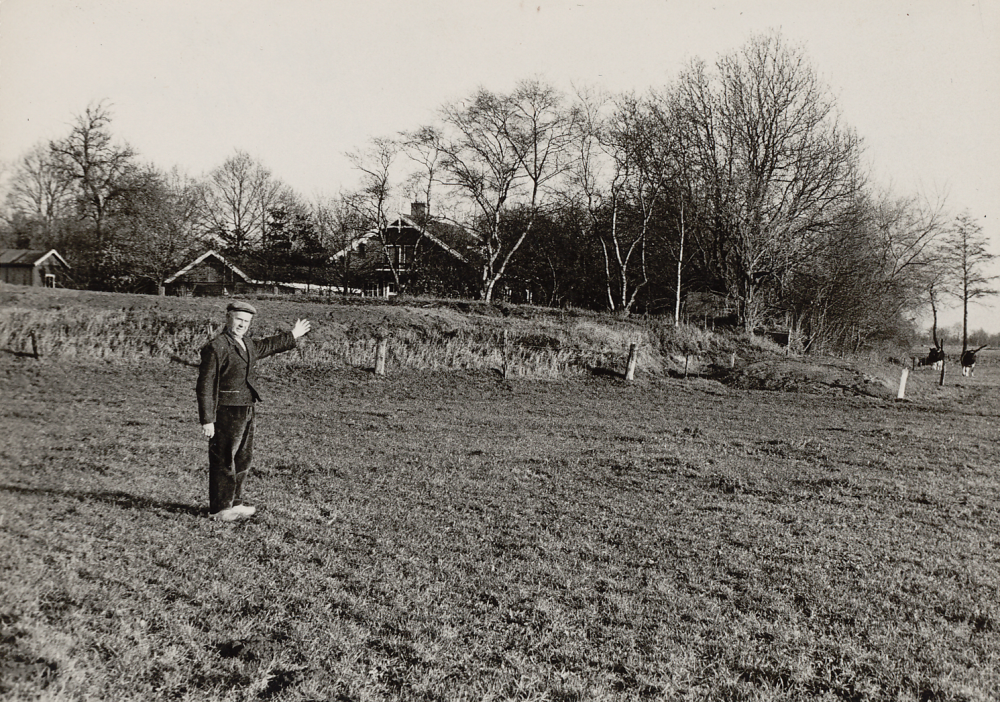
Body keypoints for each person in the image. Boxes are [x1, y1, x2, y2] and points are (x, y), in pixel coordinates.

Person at [196, 301, 311, 521]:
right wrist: (207, 419)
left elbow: (267, 346)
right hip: (225, 410)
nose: (242, 325)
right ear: (228, 317)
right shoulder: (216, 346)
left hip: (247, 407)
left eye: (247, 321)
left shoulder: (246, 343)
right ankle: (220, 509)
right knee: (224, 458)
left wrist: (293, 335)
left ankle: (235, 503)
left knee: (243, 458)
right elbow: (205, 384)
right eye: (239, 319)